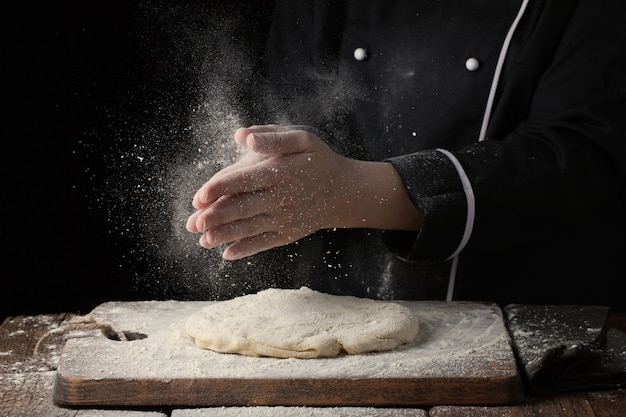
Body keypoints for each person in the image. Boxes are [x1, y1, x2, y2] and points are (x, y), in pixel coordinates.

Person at [186, 0, 626, 309]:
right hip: (333, 303)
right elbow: (293, 103)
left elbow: (576, 154)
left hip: (512, 306)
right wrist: (266, 172)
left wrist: (351, 192)